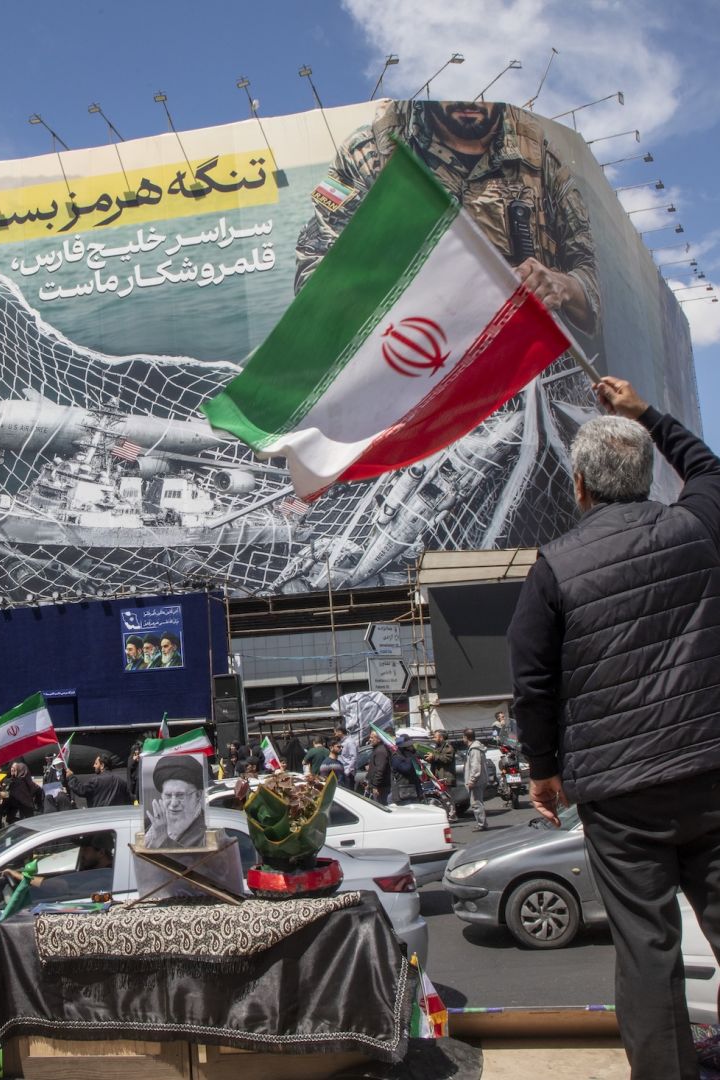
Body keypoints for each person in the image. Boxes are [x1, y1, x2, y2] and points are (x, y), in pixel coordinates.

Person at [508, 375, 720, 1079]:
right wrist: (644, 413)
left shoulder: (555, 568)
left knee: (648, 951)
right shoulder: (696, 525)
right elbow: (708, 469)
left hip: (621, 797)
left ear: (579, 488)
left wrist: (543, 772)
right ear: (644, 475)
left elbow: (532, 682)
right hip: (712, 769)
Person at [294, 100, 599, 335]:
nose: (470, 104)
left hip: (524, 365)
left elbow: (589, 291)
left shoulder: (539, 154)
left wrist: (560, 285)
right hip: (415, 363)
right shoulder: (368, 150)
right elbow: (313, 277)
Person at [144, 754, 206, 848]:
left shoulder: (207, 833)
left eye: (180, 795)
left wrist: (162, 840)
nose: (173, 804)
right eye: (168, 795)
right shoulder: (149, 825)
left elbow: (192, 861)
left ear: (198, 795)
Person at [65, 754, 132, 807]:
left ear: (102, 765)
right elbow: (129, 799)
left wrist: (71, 777)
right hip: (116, 818)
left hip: (99, 818)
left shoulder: (95, 781)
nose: (93, 766)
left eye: (96, 763)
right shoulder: (121, 781)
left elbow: (81, 790)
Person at [462, 728, 488, 831]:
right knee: (477, 802)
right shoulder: (474, 748)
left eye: (463, 737)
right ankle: (482, 823)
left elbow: (475, 766)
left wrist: (472, 780)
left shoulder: (474, 749)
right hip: (479, 780)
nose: (462, 739)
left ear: (466, 737)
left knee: (476, 803)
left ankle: (482, 824)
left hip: (477, 781)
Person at [390, 735, 423, 804]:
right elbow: (406, 769)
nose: (411, 747)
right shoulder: (396, 757)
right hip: (404, 793)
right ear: (403, 748)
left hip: (414, 791)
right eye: (409, 746)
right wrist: (411, 757)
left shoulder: (409, 755)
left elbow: (417, 769)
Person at [365, 729, 392, 805]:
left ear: (379, 739)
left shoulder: (380, 751)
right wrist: (369, 783)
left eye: (372, 738)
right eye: (370, 737)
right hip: (379, 787)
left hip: (381, 788)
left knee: (382, 807)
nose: (370, 740)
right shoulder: (378, 749)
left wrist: (375, 786)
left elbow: (380, 770)